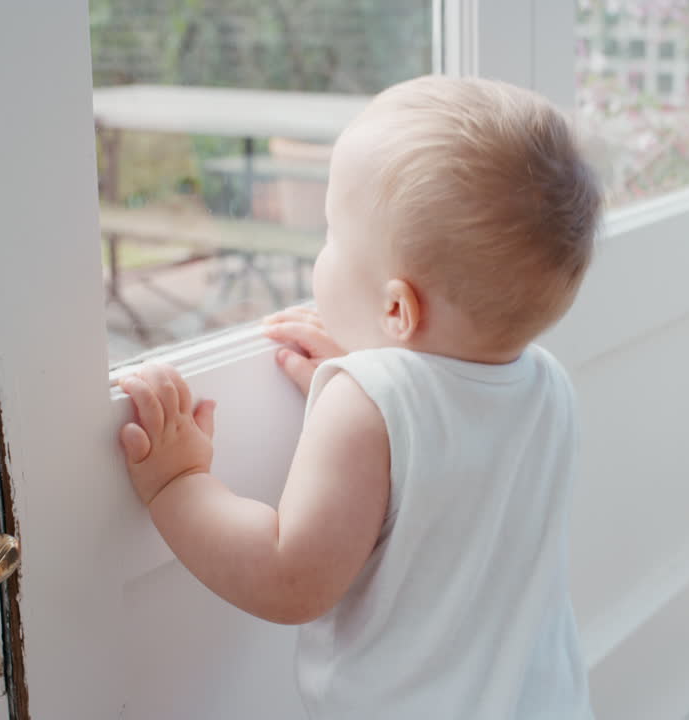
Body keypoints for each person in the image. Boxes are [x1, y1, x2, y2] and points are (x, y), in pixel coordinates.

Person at [117, 75, 601, 719]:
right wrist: (378, 365)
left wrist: (176, 483)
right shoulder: (547, 385)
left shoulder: (364, 406)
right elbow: (449, 455)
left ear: (396, 308)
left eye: (331, 235)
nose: (322, 254)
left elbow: (290, 578)